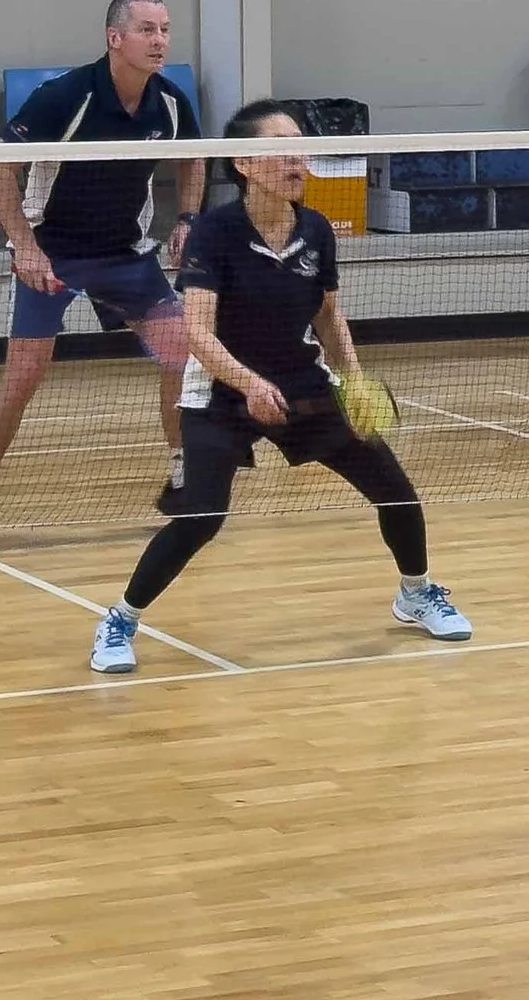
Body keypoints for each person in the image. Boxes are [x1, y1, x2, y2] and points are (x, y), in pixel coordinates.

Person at [88, 100, 471, 674]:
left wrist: (354, 380)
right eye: (280, 149)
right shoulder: (215, 234)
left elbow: (327, 314)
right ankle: (120, 619)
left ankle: (416, 592)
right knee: (201, 517)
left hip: (304, 386)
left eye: (300, 148)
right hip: (220, 394)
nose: (297, 160)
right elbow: (196, 332)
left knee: (395, 490)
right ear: (244, 163)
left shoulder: (314, 228)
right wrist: (247, 383)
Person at [0, 0, 205, 557]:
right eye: (146, 30)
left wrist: (187, 217)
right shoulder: (65, 96)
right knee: (25, 376)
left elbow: (196, 157)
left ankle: (184, 482)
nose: (160, 40)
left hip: (125, 256)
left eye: (165, 29)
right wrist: (25, 246)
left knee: (183, 355)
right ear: (116, 38)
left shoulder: (172, 103)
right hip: (53, 255)